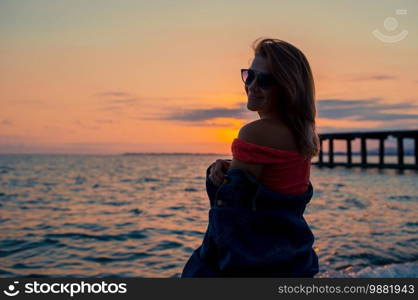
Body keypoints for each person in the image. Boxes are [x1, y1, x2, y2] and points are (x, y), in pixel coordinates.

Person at [181, 38, 320, 277]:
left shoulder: (254, 133)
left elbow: (229, 218)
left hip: (252, 265)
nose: (252, 86)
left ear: (288, 87)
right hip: (293, 260)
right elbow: (275, 185)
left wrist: (216, 180)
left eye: (264, 80)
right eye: (249, 75)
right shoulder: (303, 135)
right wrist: (229, 166)